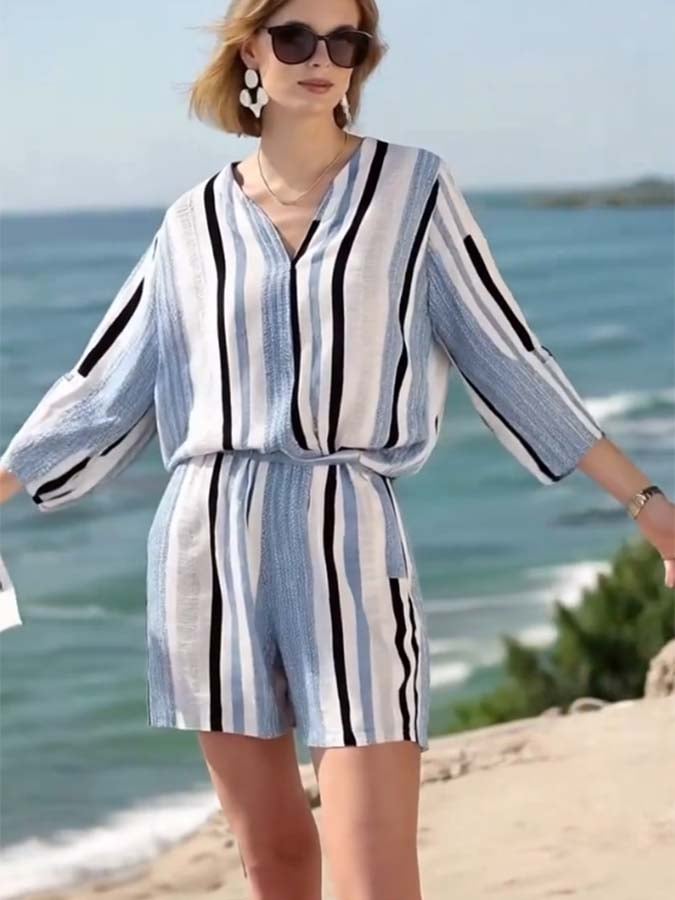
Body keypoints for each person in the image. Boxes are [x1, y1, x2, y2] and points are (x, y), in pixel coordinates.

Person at [1, 1, 674, 898]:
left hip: (350, 539)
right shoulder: (191, 222)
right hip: (207, 546)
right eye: (294, 37)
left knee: (375, 874)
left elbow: (507, 358)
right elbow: (103, 384)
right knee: (273, 861)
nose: (321, 58)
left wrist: (647, 506)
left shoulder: (413, 189)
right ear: (250, 50)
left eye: (344, 41)